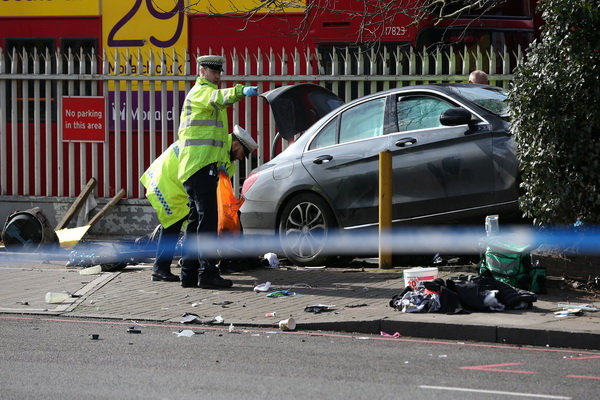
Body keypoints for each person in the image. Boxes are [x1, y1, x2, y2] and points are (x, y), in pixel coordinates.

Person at [176, 54, 259, 289]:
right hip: (200, 167)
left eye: (219, 72)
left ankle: (189, 273)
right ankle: (207, 273)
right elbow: (218, 97)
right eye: (214, 71)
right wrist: (241, 91)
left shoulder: (206, 99)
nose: (218, 76)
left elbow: (219, 141)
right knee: (207, 222)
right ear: (202, 71)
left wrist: (224, 164)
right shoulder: (201, 92)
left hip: (196, 167)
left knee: (195, 223)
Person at [140, 125, 257, 283]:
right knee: (174, 224)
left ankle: (165, 269)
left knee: (180, 224)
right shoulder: (219, 148)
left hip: (177, 180)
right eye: (243, 153)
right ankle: (161, 269)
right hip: (168, 181)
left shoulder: (221, 150)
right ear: (236, 144)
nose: (241, 157)